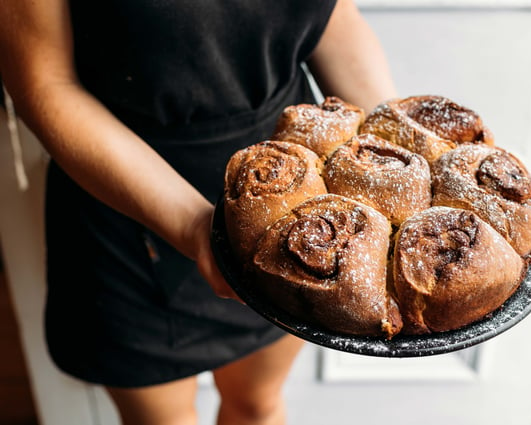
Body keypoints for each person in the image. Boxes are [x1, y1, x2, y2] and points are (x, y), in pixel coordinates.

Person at [0, 1, 397, 424]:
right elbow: (45, 82)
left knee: (256, 404)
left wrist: (397, 145)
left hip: (294, 218)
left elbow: (331, 16)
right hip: (123, 204)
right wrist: (193, 225)